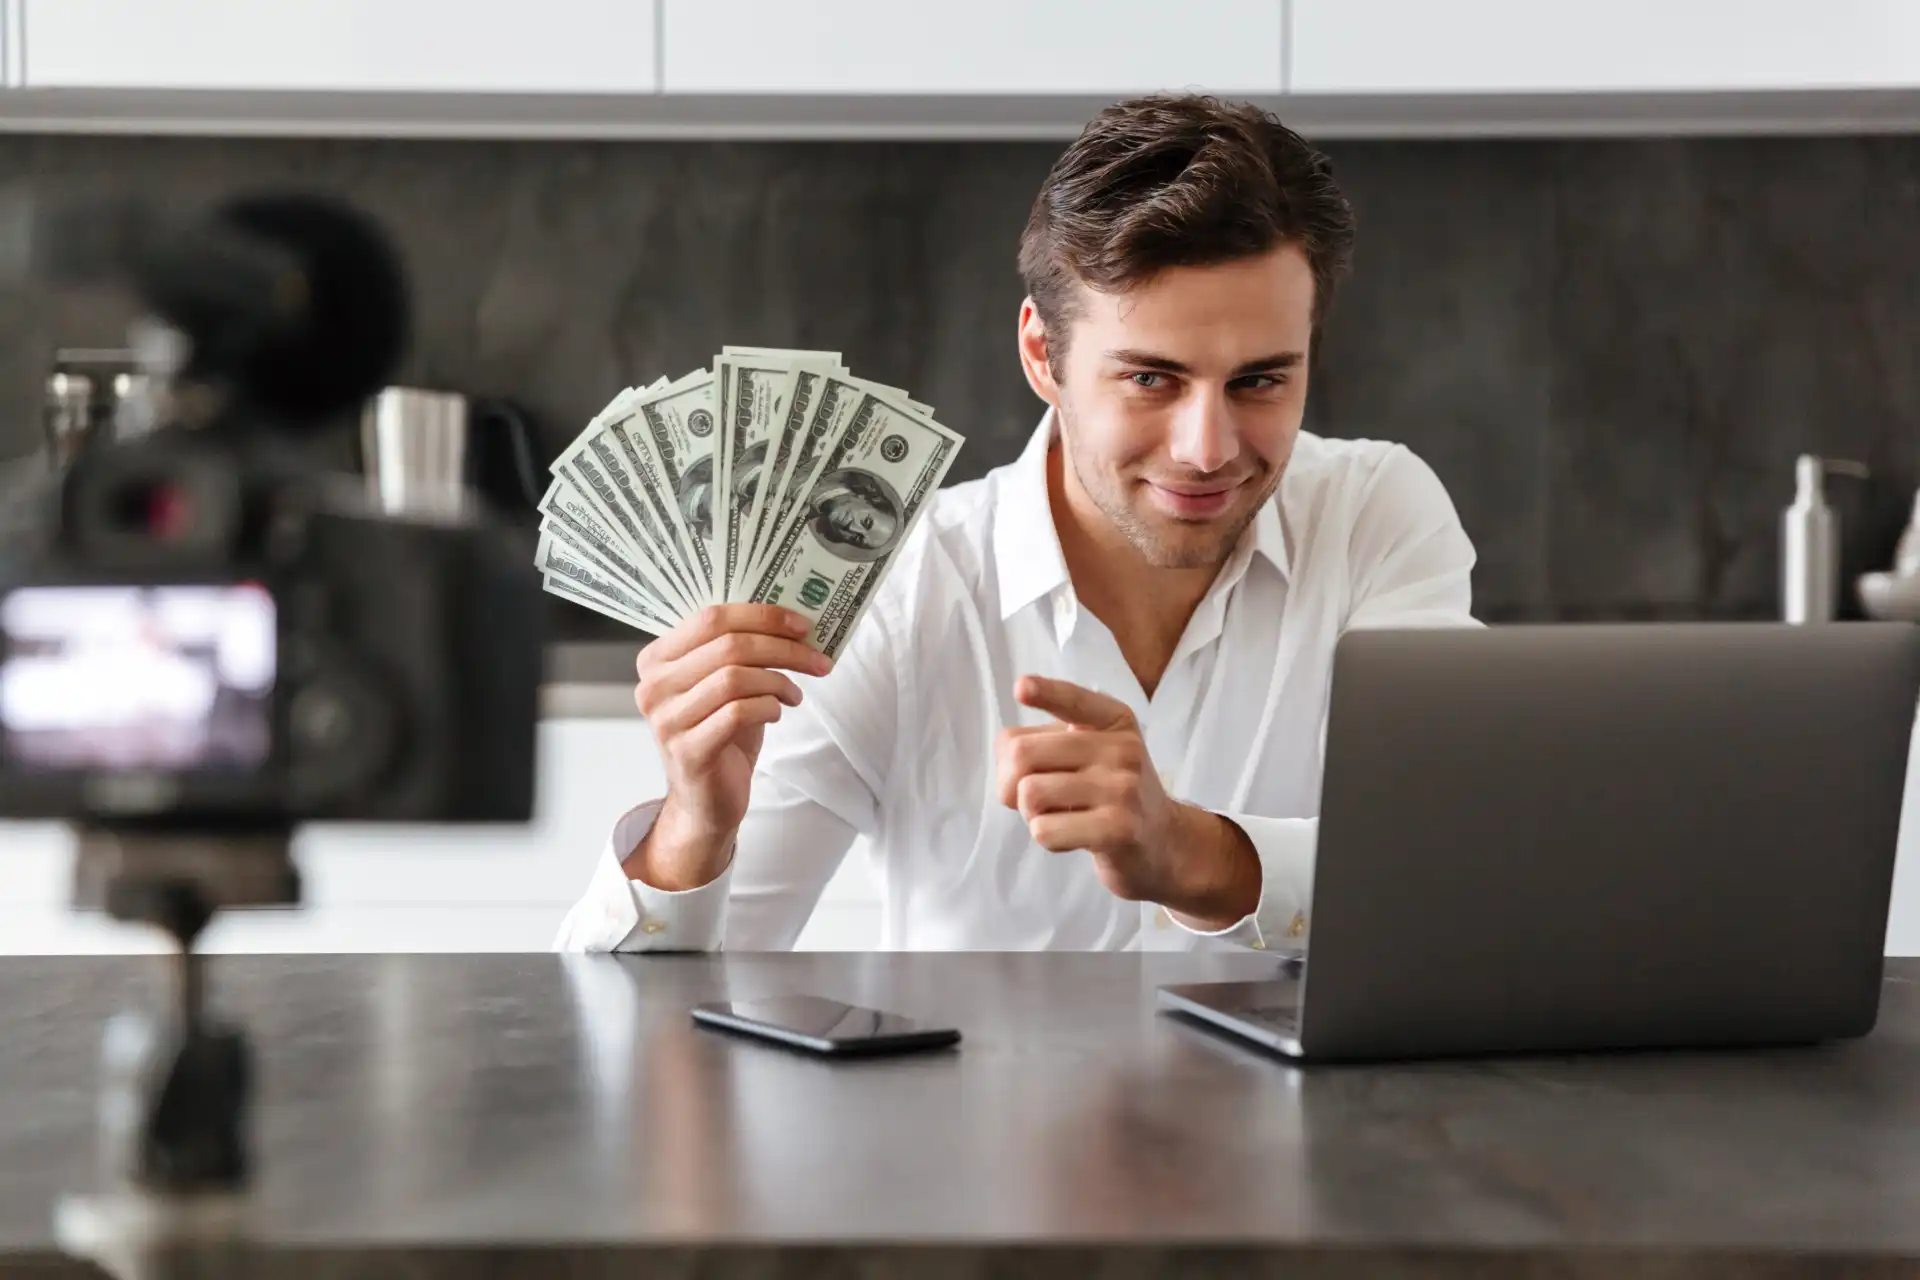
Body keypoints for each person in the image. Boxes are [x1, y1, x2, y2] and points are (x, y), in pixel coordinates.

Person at [556, 94, 1478, 953]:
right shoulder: (896, 586)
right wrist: (695, 826)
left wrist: (1194, 855)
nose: (1208, 447)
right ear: (1043, 353)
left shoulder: (1375, 518)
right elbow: (630, 1025)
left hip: (1309, 1129)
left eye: (1261, 380)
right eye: (1150, 379)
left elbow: (1455, 880)